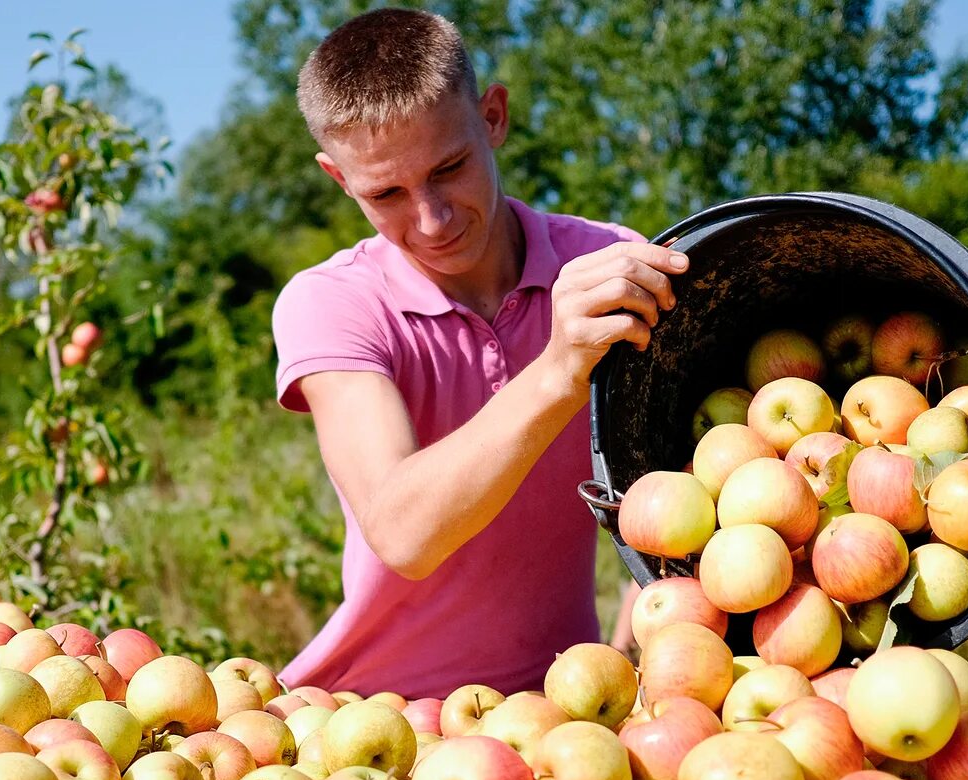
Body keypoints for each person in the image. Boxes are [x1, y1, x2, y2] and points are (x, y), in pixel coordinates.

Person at [270, 7, 686, 699]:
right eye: (386, 193)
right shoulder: (331, 302)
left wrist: (630, 653)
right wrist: (558, 369)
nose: (431, 219)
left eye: (450, 167)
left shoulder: (607, 263)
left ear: (493, 116)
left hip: (566, 710)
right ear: (338, 179)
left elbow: (671, 491)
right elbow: (403, 532)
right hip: (371, 717)